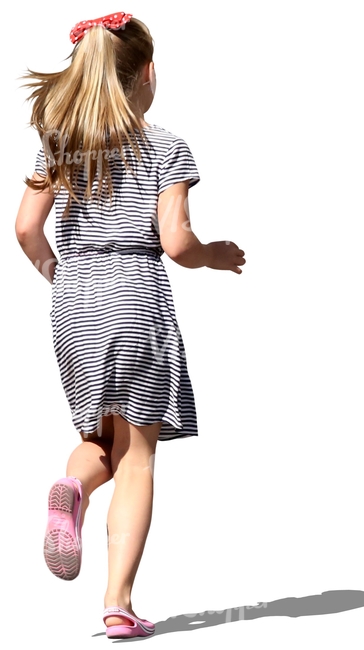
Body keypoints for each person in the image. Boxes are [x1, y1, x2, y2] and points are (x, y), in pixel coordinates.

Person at [15, 12, 245, 640]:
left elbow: (26, 230)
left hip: (74, 302)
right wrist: (216, 255)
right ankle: (117, 602)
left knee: (99, 441)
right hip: (137, 298)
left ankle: (72, 487)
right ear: (146, 73)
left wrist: (60, 278)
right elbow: (175, 242)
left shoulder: (59, 145)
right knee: (138, 456)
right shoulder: (167, 145)